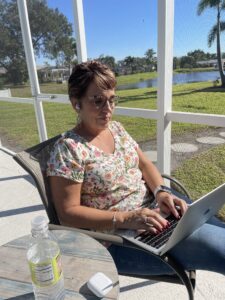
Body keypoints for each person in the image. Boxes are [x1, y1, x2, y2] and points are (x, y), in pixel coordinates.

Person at [47, 60, 225, 276]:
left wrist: (161, 191)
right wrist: (125, 218)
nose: (108, 109)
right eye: (98, 101)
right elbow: (68, 213)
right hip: (118, 240)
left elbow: (144, 163)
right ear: (76, 103)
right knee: (219, 249)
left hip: (154, 211)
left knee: (217, 228)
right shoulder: (68, 149)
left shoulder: (116, 129)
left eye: (112, 100)